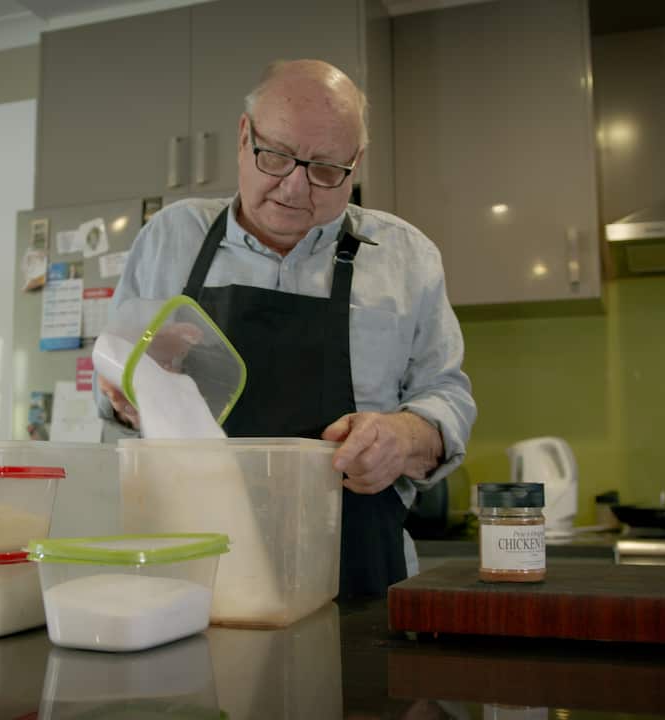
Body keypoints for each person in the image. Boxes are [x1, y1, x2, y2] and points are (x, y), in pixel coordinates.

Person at [98, 59, 476, 598]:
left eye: (326, 169)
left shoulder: (406, 258)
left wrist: (405, 436)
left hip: (357, 573)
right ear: (244, 136)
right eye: (275, 156)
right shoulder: (170, 238)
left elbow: (447, 394)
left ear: (356, 163)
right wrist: (131, 388)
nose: (295, 188)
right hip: (191, 573)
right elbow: (109, 385)